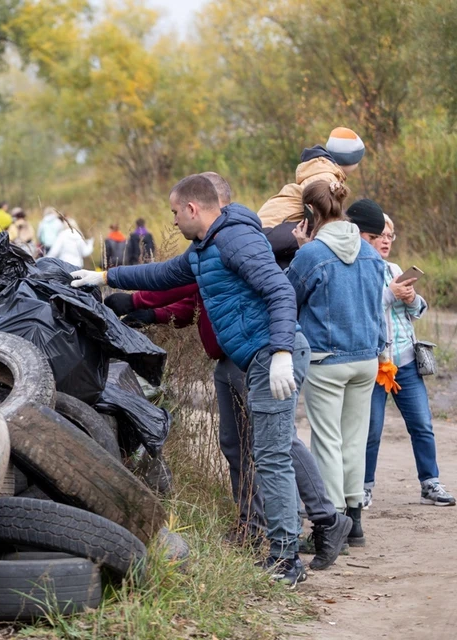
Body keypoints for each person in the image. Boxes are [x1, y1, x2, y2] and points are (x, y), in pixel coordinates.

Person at [72, 174, 311, 586]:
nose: (173, 221)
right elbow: (161, 275)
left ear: (192, 209)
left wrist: (283, 353)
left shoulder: (236, 240)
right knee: (263, 454)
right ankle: (281, 551)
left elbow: (280, 292)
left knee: (271, 456)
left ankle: (287, 560)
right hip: (257, 356)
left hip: (272, 355)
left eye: (174, 212)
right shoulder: (204, 248)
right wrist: (105, 277)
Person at [286, 182, 385, 548]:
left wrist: (302, 251)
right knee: (354, 441)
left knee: (327, 441)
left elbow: (287, 298)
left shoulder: (311, 254)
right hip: (366, 358)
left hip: (326, 359)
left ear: (311, 215)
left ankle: (331, 528)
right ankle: (355, 523)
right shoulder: (372, 254)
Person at [347, 201, 456, 509]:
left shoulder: (395, 269)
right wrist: (390, 294)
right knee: (371, 429)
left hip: (406, 360)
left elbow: (419, 311)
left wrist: (411, 297)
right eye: (380, 234)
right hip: (376, 363)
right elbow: (359, 312)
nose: (386, 240)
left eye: (391, 235)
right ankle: (364, 487)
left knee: (422, 423)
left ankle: (429, 483)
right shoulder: (356, 269)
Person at [260, 128, 366, 268]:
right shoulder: (325, 177)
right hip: (268, 231)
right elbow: (323, 217)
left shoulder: (322, 170)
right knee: (324, 233)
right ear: (352, 160)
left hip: (272, 228)